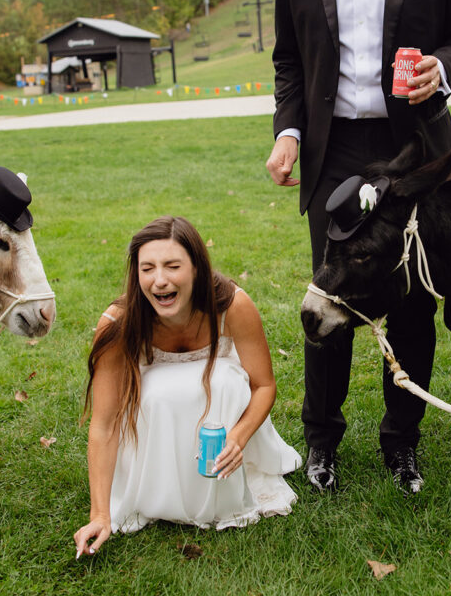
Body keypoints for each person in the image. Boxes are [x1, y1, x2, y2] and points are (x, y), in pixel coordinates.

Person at [266, 0, 451, 494]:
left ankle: (402, 443)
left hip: (413, 147)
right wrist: (288, 130)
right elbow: (288, 62)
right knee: (327, 296)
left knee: (414, 299)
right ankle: (321, 441)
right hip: (332, 148)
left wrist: (440, 70)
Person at [73, 216, 301, 556]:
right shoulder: (118, 324)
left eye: (172, 266)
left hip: (224, 426)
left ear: (196, 268)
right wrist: (101, 514)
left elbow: (264, 385)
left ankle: (219, 492)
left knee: (225, 379)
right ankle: (159, 490)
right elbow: (104, 426)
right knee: (154, 390)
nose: (160, 280)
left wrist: (238, 437)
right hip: (153, 439)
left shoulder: (232, 306)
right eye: (147, 268)